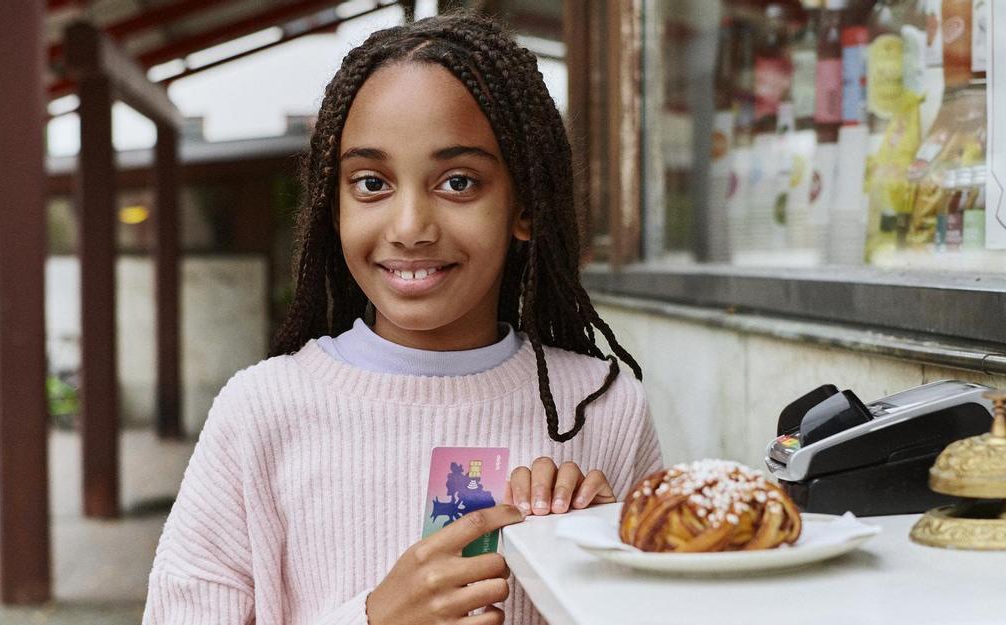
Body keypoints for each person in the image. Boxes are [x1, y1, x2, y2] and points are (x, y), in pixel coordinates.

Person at [145, 13, 661, 625]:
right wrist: (374, 618)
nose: (410, 226)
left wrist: (602, 560)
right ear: (331, 208)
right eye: (371, 183)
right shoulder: (261, 411)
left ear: (524, 206)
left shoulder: (603, 409)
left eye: (459, 181)